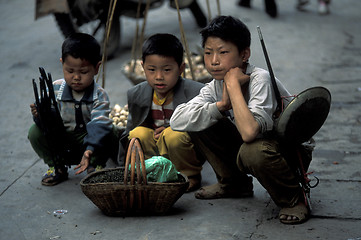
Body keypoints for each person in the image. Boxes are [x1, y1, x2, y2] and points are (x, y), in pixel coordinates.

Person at [170, 16, 312, 224]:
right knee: (201, 118)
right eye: (208, 53)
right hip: (258, 146)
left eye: (223, 52)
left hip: (287, 151)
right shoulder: (215, 86)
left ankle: (293, 199)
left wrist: (234, 88)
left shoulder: (259, 79)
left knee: (251, 150)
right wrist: (221, 106)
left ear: (244, 54)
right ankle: (233, 183)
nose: (214, 60)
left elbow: (249, 133)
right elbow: (177, 121)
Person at [28, 33, 119, 186]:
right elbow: (47, 124)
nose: (76, 77)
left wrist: (89, 150)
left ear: (96, 68)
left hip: (89, 140)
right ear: (62, 63)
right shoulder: (54, 89)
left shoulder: (99, 95)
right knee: (34, 131)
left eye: (83, 72)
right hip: (62, 139)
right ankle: (57, 166)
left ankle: (95, 165)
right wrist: (40, 116)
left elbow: (99, 125)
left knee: (110, 131)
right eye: (70, 71)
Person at [121, 33, 205, 192]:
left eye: (167, 70)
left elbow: (204, 125)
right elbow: (128, 130)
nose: (159, 77)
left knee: (173, 135)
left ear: (181, 68)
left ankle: (190, 175)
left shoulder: (196, 92)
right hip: (154, 145)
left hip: (181, 147)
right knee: (137, 133)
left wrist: (171, 127)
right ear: (143, 67)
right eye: (151, 70)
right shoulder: (137, 93)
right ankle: (152, 172)